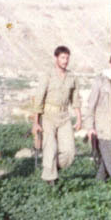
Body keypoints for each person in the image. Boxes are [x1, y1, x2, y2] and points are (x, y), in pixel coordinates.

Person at [32, 46, 82, 184]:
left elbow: (76, 100)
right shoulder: (47, 75)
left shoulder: (72, 77)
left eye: (67, 58)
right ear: (56, 58)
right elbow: (39, 99)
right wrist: (36, 123)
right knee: (50, 148)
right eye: (62, 58)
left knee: (69, 152)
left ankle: (52, 168)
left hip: (64, 116)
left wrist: (79, 119)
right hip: (48, 116)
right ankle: (50, 181)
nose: (65, 61)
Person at [85, 53, 111, 181]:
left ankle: (98, 183)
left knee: (106, 163)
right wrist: (90, 127)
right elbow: (91, 105)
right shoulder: (101, 81)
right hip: (103, 128)